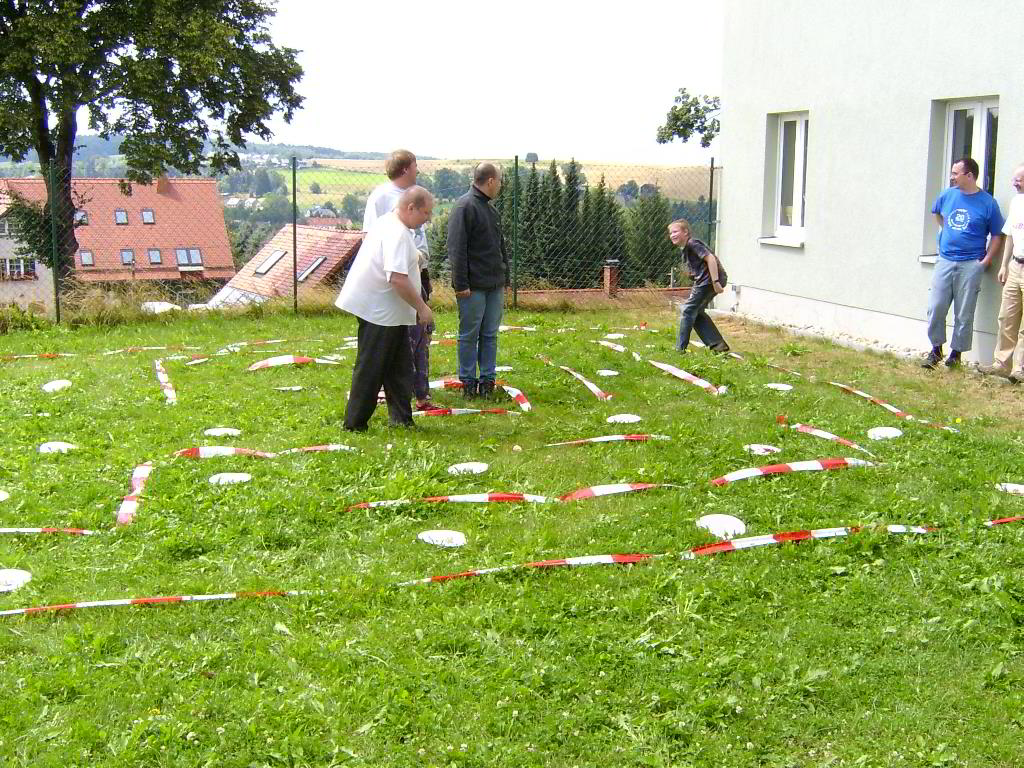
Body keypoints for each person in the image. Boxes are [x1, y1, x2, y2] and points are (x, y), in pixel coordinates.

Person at [336, 186, 434, 431]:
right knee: (371, 366)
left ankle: (402, 419)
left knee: (400, 367)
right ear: (410, 208)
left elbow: (398, 260)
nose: (428, 218)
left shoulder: (390, 223)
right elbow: (397, 278)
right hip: (378, 311)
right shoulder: (397, 232)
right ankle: (354, 423)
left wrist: (416, 258)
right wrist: (422, 308)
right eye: (425, 212)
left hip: (390, 312)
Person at [363, 149, 435, 410]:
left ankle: (422, 392)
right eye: (415, 166)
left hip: (418, 272)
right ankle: (394, 392)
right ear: (405, 168)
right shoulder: (381, 197)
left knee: (421, 335)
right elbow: (371, 239)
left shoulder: (418, 194)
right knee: (401, 338)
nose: (418, 170)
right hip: (395, 278)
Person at [923, 157, 1005, 369]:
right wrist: (946, 234)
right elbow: (938, 214)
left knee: (964, 312)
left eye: (955, 173)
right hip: (945, 260)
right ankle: (936, 349)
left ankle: (956, 354)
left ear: (969, 175)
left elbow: (998, 235)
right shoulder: (947, 195)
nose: (951, 177)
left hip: (970, 264)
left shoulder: (988, 203)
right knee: (936, 307)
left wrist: (985, 261)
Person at [448, 163, 507, 399]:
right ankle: (468, 382)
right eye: (499, 181)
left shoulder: (490, 210)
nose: (500, 186)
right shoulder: (465, 207)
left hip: (494, 285)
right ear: (490, 181)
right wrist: (461, 284)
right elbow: (456, 248)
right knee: (469, 335)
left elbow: (499, 248)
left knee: (490, 334)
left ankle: (487, 381)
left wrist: (504, 276)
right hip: (472, 287)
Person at [980, 164, 1024, 382]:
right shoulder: (1017, 202)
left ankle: (1020, 369)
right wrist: (1004, 265)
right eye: (1015, 179)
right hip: (1015, 266)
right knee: (1007, 317)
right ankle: (1002, 364)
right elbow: (1010, 235)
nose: (1014, 183)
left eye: (1019, 179)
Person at [668, 218, 730, 353]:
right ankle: (718, 345)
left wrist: (715, 282)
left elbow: (710, 258)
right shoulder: (685, 249)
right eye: (670, 233)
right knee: (696, 312)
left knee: (688, 311)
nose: (672, 235)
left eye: (675, 231)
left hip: (709, 281)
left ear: (685, 232)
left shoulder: (693, 243)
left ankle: (680, 349)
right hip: (704, 282)